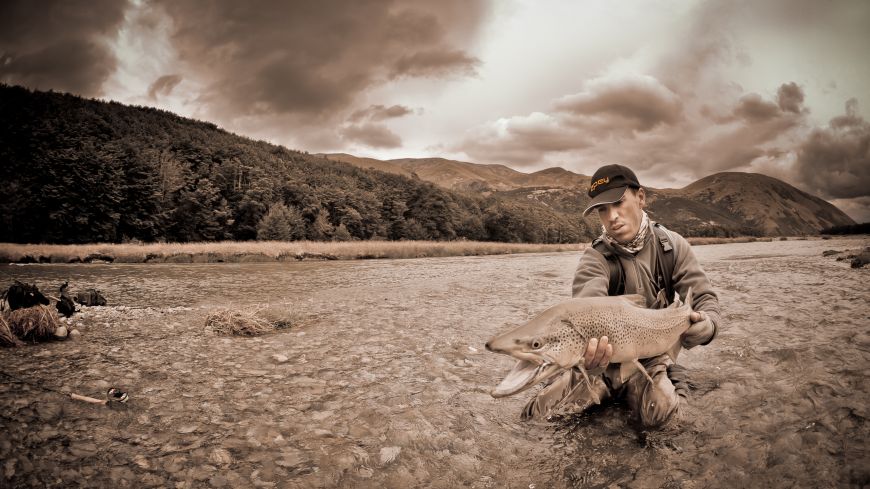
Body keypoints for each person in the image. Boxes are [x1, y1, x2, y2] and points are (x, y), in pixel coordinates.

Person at [521, 164, 721, 428]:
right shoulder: (595, 258)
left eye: (618, 203)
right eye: (602, 210)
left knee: (662, 420)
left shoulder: (672, 247)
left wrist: (707, 326)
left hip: (649, 363)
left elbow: (706, 299)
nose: (612, 216)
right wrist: (587, 354)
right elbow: (586, 304)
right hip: (600, 368)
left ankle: (669, 378)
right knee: (536, 418)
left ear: (640, 198)